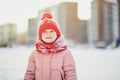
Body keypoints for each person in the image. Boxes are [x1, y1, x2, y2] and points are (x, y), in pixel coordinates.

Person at [24, 12, 77, 80]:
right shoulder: (35, 54)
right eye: (45, 32)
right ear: (40, 36)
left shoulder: (65, 53)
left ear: (57, 34)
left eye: (51, 31)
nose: (48, 34)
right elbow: (30, 73)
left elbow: (70, 73)